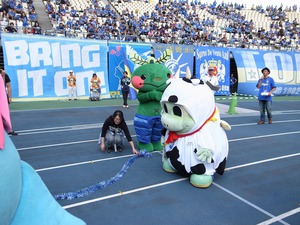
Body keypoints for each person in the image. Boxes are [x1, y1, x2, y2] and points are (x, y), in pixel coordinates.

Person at [1, 69, 18, 135]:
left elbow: (8, 86)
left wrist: (10, 97)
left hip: (3, 97)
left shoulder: (5, 75)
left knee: (6, 113)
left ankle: (9, 130)